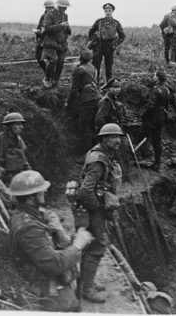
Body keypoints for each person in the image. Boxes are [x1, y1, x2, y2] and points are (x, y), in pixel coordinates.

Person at [9, 170, 93, 312]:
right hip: (43, 286)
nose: (45, 192)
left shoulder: (28, 215)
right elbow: (53, 264)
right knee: (71, 305)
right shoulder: (28, 228)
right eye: (40, 191)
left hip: (42, 275)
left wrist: (61, 234)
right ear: (30, 197)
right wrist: (78, 245)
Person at [77, 123, 123, 303]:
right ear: (104, 139)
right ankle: (86, 289)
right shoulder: (99, 160)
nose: (117, 140)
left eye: (118, 137)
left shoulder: (104, 155)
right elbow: (85, 190)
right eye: (113, 137)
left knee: (89, 245)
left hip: (92, 206)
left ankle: (85, 282)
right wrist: (98, 208)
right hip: (92, 208)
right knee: (98, 245)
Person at [65, 50, 102, 160]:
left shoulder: (78, 70)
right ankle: (95, 153)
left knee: (84, 128)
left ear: (80, 57)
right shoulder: (93, 68)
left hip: (87, 101)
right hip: (98, 98)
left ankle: (85, 155)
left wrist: (68, 102)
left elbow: (74, 89)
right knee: (93, 127)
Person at [0, 112, 32, 184]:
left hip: (19, 176)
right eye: (18, 124)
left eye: (21, 124)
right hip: (4, 178)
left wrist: (30, 171)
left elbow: (23, 159)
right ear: (9, 126)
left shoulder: (19, 140)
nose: (21, 127)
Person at [139, 70, 171, 171]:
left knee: (143, 134)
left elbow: (151, 106)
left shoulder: (155, 90)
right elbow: (167, 105)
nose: (153, 77)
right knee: (157, 140)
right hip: (161, 117)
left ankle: (142, 156)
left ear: (158, 78)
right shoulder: (166, 89)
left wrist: (143, 115)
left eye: (154, 76)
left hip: (152, 117)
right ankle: (157, 162)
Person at [88, 3, 126, 84]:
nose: (108, 12)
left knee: (108, 68)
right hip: (99, 45)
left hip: (110, 46)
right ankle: (95, 84)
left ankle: (109, 85)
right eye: (106, 10)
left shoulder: (116, 23)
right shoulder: (99, 21)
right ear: (104, 11)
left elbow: (122, 36)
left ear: (112, 11)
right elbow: (90, 32)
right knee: (95, 67)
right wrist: (93, 41)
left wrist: (114, 44)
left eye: (110, 10)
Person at [41, 0, 71, 88]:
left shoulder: (65, 15)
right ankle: (47, 78)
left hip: (62, 42)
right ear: (58, 6)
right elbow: (47, 29)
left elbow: (67, 30)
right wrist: (60, 26)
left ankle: (56, 80)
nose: (64, 9)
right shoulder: (49, 14)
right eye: (62, 7)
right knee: (52, 61)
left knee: (61, 61)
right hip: (51, 41)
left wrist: (68, 28)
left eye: (66, 8)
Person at [34, 0, 55, 82]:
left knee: (52, 60)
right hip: (42, 41)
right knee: (39, 57)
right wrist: (38, 31)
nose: (49, 9)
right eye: (47, 8)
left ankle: (51, 78)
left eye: (51, 8)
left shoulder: (55, 17)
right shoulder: (43, 16)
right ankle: (47, 74)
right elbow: (39, 27)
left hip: (51, 42)